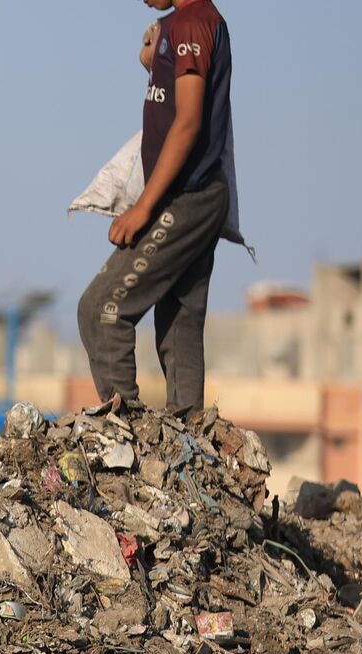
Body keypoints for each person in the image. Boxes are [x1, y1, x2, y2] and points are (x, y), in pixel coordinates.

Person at [77, 0, 235, 417]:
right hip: (200, 195)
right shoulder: (188, 25)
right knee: (179, 323)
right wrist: (153, 60)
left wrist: (143, 208)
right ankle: (188, 446)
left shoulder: (192, 23)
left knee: (101, 310)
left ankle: (127, 433)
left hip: (188, 198)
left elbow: (187, 123)